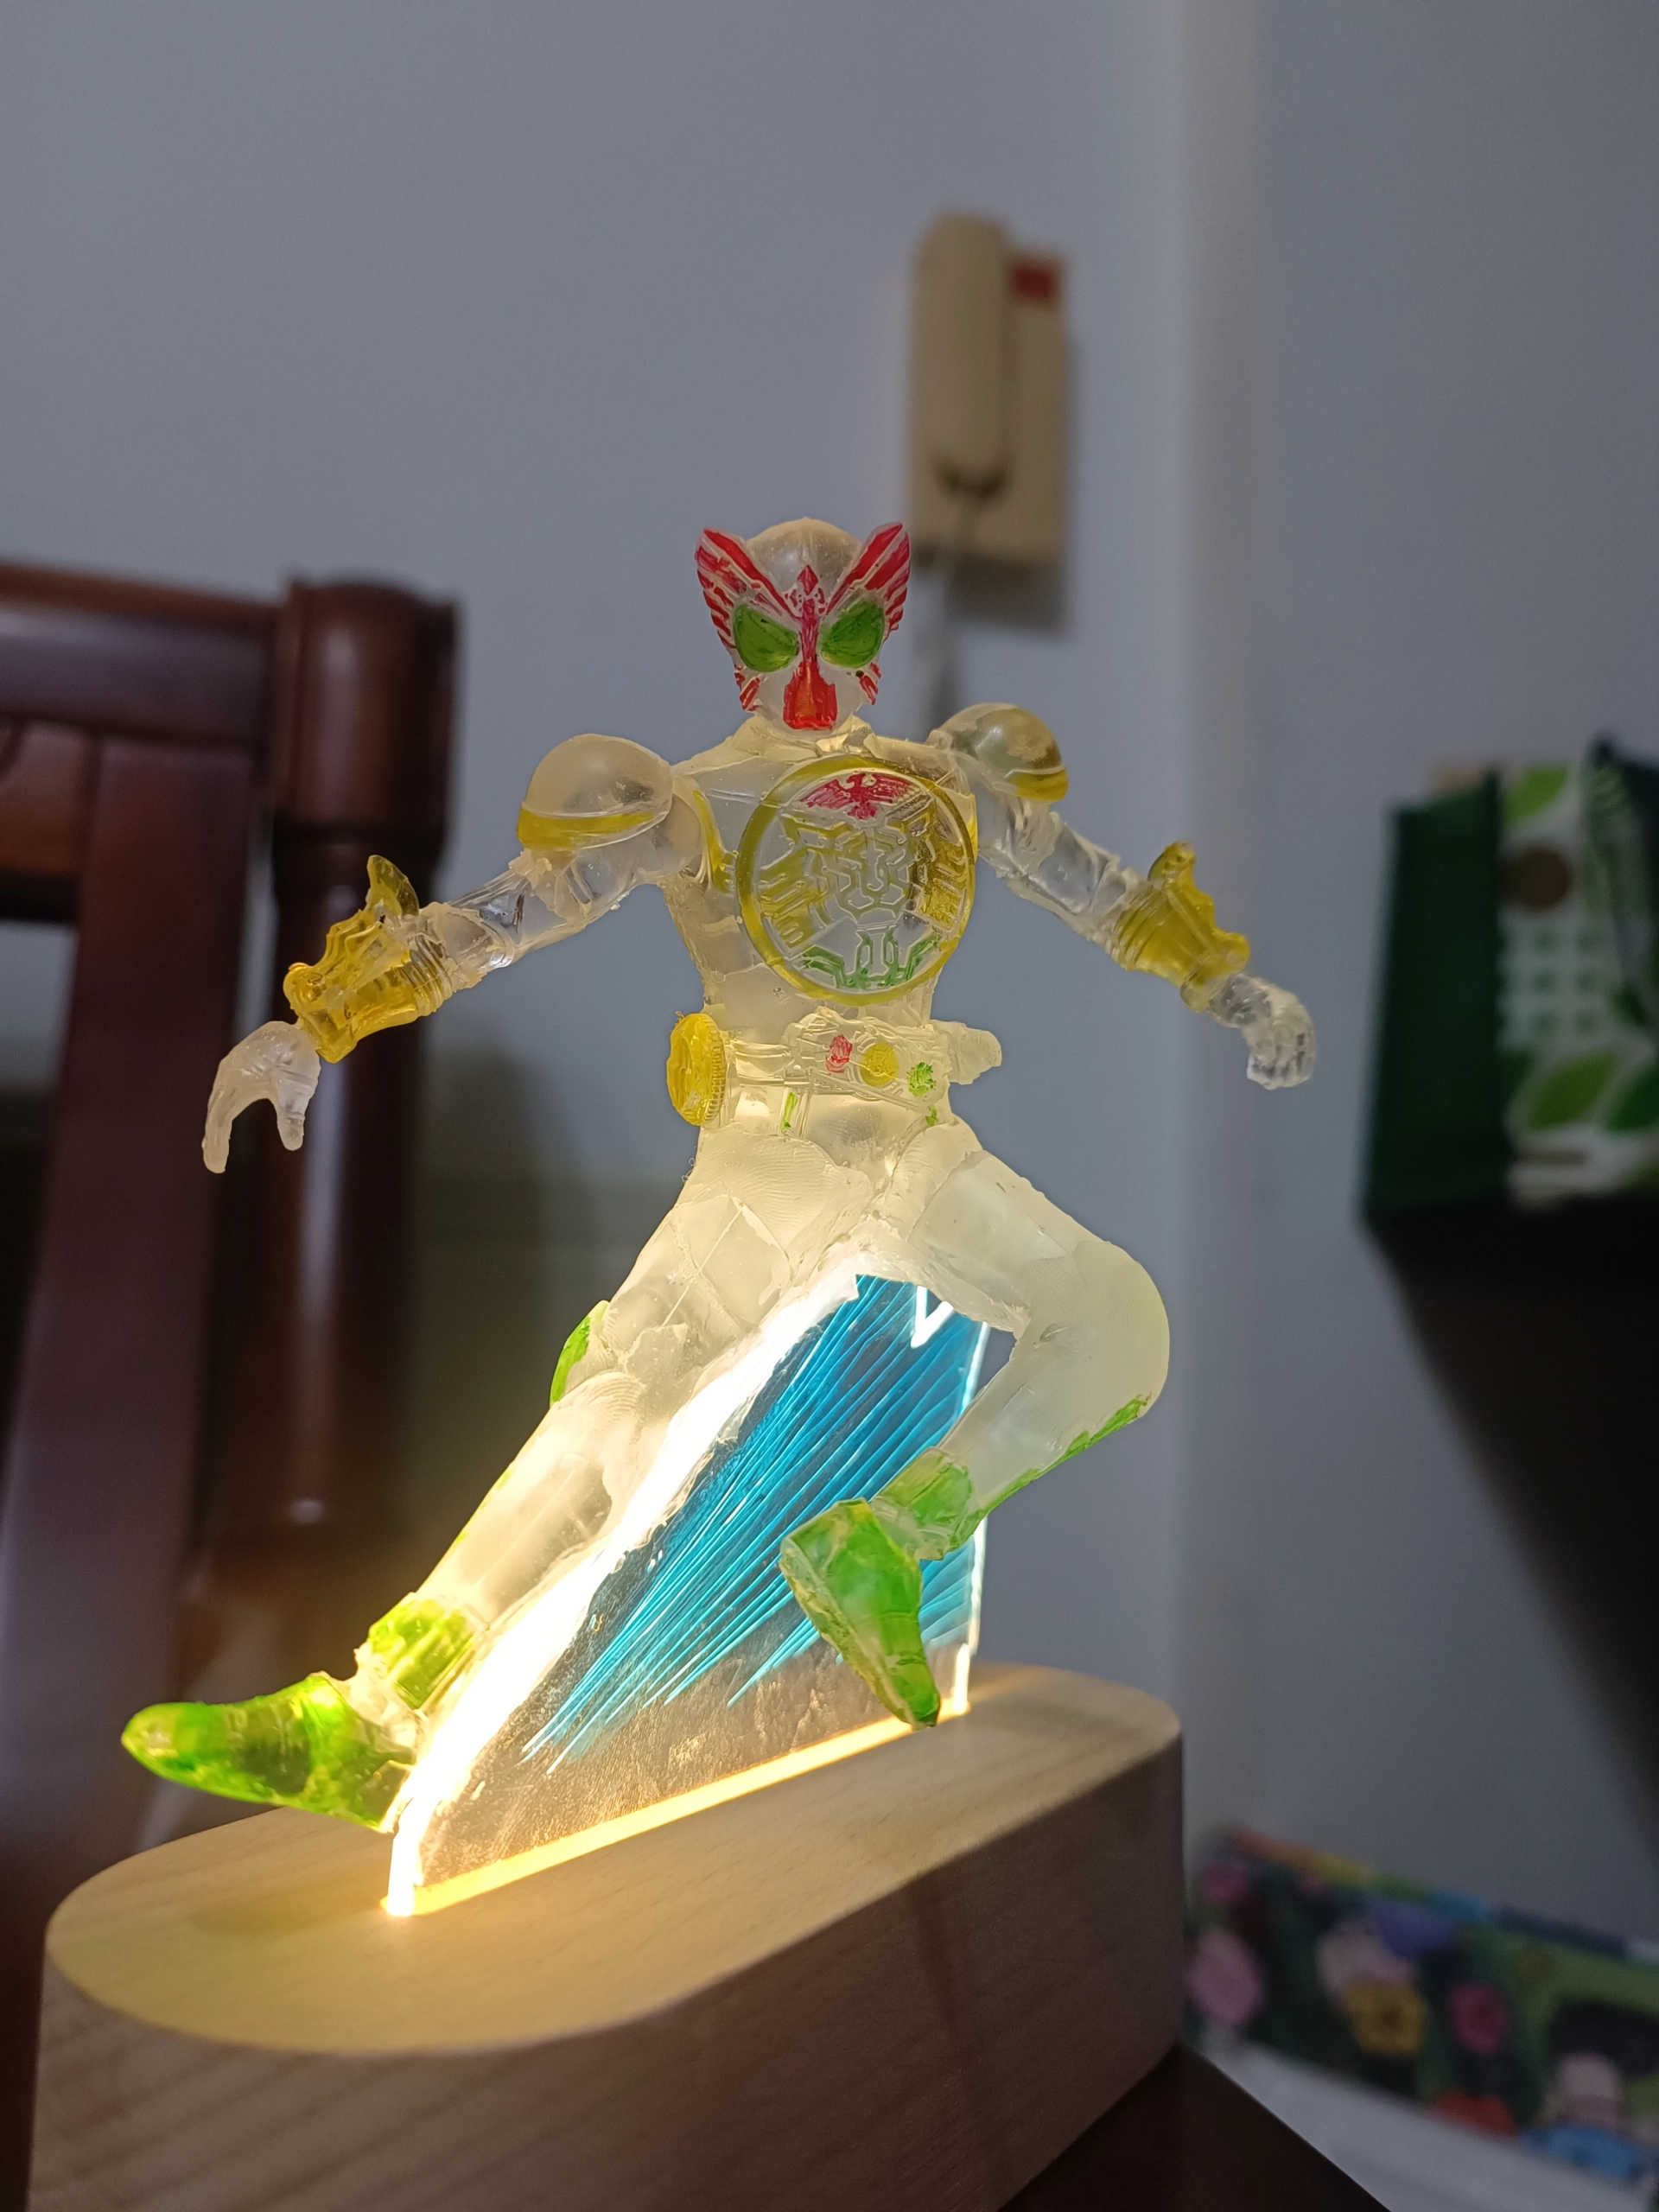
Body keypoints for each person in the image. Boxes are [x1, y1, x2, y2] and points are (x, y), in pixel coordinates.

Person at [124, 517, 1313, 1829]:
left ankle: (885, 1542)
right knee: (617, 1410)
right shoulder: (684, 804)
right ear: (731, 631)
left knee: (1118, 1321)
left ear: (880, 625)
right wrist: (315, 1027)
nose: (808, 663)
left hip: (919, 1151)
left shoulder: (954, 783)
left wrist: (1237, 991)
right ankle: (377, 1719)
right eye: (772, 628)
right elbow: (498, 921)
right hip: (766, 1165)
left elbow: (1106, 894)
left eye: (840, 628)